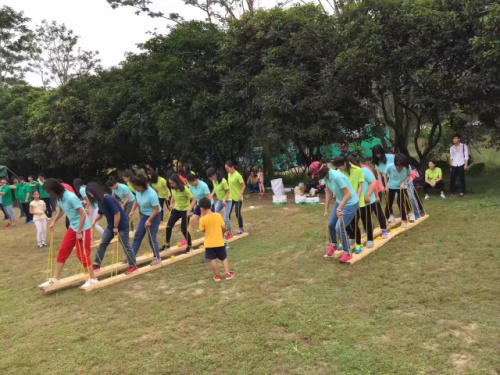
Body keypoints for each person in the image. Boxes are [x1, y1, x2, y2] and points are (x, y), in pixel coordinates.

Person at [38, 178, 99, 289]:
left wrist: (79, 231)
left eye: (48, 192)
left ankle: (93, 279)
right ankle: (55, 279)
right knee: (63, 251)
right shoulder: (60, 197)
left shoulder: (70, 197)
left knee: (82, 254)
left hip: (83, 228)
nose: (48, 194)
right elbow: (61, 211)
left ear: (54, 190)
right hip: (73, 227)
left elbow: (83, 214)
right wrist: (54, 222)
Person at [309, 161, 359, 263]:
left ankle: (347, 252)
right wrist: (326, 209)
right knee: (331, 224)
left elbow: (348, 194)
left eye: (317, 174)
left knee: (339, 228)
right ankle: (334, 245)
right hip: (340, 202)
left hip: (350, 203)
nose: (316, 176)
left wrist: (339, 208)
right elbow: (328, 194)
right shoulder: (326, 178)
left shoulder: (336, 177)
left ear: (322, 171)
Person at [85, 183, 137, 274]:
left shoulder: (108, 199)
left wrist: (116, 227)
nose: (91, 196)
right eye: (89, 194)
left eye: (91, 194)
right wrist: (94, 221)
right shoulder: (100, 201)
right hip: (111, 227)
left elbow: (117, 213)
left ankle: (133, 265)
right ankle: (97, 264)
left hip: (121, 225)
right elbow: (101, 213)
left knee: (125, 245)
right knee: (103, 243)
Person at [349, 154, 387, 245]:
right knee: (354, 219)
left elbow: (373, 183)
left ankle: (380, 232)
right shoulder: (349, 173)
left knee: (371, 217)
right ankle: (355, 236)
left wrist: (374, 196)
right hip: (357, 201)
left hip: (370, 199)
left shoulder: (365, 170)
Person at [333, 155, 365, 253]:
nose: (339, 169)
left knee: (354, 224)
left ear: (345, 163)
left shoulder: (357, 170)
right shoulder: (338, 173)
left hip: (354, 201)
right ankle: (344, 241)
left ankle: (359, 244)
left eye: (340, 166)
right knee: (343, 224)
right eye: (337, 167)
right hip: (343, 202)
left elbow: (360, 186)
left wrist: (358, 200)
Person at [128, 175, 163, 266]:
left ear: (141, 185)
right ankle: (131, 256)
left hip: (154, 216)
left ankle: (157, 257)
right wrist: (132, 211)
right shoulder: (139, 191)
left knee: (151, 237)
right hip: (144, 215)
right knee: (137, 235)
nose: (135, 189)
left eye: (136, 187)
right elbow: (136, 200)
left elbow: (156, 209)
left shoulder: (151, 194)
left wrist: (149, 220)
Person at [198, 197, 235, 281]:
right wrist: (223, 233)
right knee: (224, 258)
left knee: (212, 259)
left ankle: (217, 276)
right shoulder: (218, 215)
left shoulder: (202, 219)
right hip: (219, 241)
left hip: (209, 243)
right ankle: (227, 274)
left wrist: (202, 217)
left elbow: (202, 230)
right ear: (211, 206)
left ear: (201, 209)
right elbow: (223, 227)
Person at [164, 174, 196, 252]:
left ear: (177, 182)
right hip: (176, 209)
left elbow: (194, 199)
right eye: (170, 183)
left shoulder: (185, 189)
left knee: (183, 229)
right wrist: (171, 203)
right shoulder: (173, 188)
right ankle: (167, 244)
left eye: (172, 183)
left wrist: (189, 209)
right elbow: (173, 196)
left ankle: (189, 245)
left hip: (185, 211)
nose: (171, 185)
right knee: (168, 226)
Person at [384, 154, 412, 227]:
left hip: (402, 186)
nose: (401, 167)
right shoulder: (390, 166)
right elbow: (385, 174)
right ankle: (386, 219)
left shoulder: (407, 166)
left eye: (402, 165)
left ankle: (404, 220)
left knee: (401, 202)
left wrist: (404, 183)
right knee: (389, 203)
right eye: (399, 165)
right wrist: (386, 185)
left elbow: (409, 175)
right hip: (391, 186)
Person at [207, 168, 232, 239]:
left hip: (228, 201)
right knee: (214, 213)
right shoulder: (214, 181)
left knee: (225, 218)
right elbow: (215, 188)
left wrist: (224, 199)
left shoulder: (223, 181)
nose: (211, 179)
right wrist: (211, 194)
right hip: (220, 200)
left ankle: (229, 232)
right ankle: (218, 230)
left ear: (214, 175)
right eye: (209, 178)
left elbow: (228, 191)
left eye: (211, 177)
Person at [226, 161, 246, 236]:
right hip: (231, 198)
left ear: (232, 167)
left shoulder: (238, 175)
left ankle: (241, 228)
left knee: (237, 213)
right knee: (228, 214)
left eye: (227, 168)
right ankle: (228, 230)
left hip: (238, 198)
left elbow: (244, 186)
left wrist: (241, 194)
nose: (227, 170)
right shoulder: (229, 175)